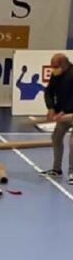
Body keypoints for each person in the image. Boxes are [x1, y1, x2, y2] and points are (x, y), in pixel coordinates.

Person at [43, 53, 73, 181]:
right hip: (63, 113)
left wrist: (64, 111)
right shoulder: (56, 75)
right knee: (56, 137)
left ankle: (72, 172)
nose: (53, 69)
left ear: (63, 64)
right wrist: (51, 108)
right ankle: (57, 169)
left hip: (70, 112)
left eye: (55, 66)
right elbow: (49, 91)